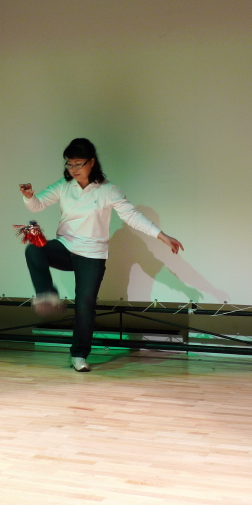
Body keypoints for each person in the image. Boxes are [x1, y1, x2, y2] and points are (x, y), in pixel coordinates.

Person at [19, 138, 184, 372]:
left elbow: (132, 216)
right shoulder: (64, 186)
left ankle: (79, 355)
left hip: (92, 255)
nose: (73, 169)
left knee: (85, 305)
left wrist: (162, 235)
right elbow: (38, 204)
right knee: (34, 248)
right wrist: (29, 196)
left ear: (92, 162)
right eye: (69, 164)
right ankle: (47, 294)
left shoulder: (108, 190)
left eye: (78, 164)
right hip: (66, 246)